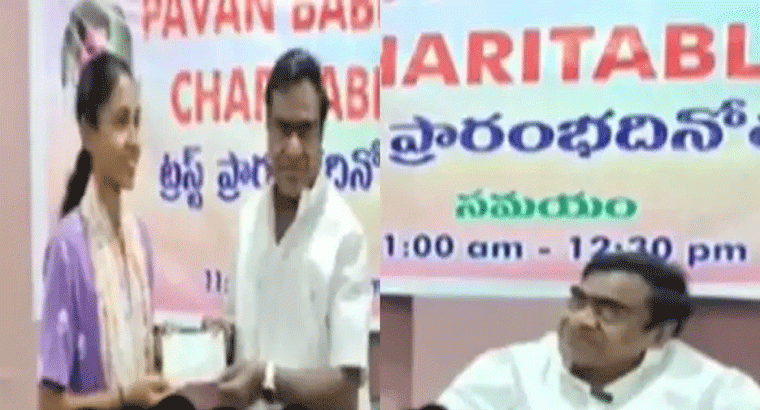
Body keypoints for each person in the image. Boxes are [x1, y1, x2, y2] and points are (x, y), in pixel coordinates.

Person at [213, 48, 372, 410]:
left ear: (322, 134)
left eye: (305, 130)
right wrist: (214, 347)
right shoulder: (248, 219)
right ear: (267, 128)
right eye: (283, 129)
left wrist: (266, 378)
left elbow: (347, 387)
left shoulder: (346, 236)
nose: (293, 148)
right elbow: (239, 333)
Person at [436, 252, 760, 409]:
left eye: (610, 311)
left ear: (660, 335)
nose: (581, 321)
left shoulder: (715, 392)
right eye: (579, 301)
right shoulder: (511, 369)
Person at [38, 52, 180, 410]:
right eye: (120, 122)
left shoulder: (140, 240)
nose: (134, 140)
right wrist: (123, 399)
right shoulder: (68, 249)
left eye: (137, 121)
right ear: (88, 132)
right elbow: (49, 404)